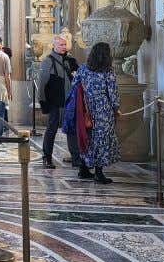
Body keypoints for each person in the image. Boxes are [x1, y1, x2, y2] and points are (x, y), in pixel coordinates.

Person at [70, 42, 120, 184]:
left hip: (85, 109)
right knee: (101, 140)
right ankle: (99, 172)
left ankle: (84, 168)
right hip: (103, 110)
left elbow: (75, 86)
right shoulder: (107, 71)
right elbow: (113, 93)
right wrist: (116, 108)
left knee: (88, 138)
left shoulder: (83, 69)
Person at [36, 35, 80, 170]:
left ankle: (76, 158)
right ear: (54, 46)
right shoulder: (47, 61)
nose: (64, 47)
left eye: (65, 44)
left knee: (72, 130)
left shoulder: (71, 60)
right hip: (55, 102)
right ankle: (47, 157)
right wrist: (43, 102)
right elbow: (42, 83)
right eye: (61, 45)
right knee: (51, 129)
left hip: (70, 102)